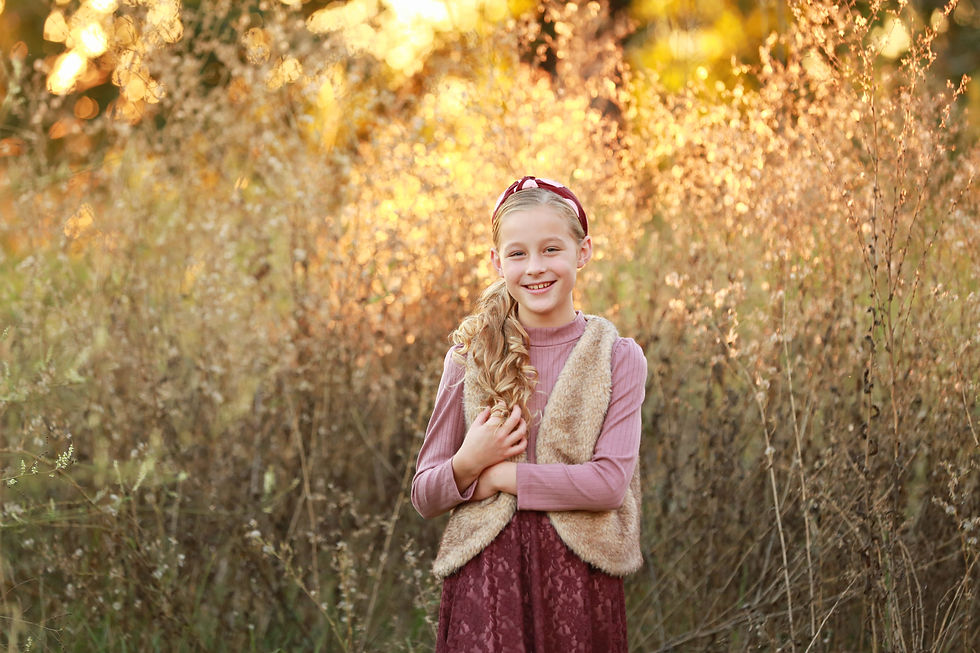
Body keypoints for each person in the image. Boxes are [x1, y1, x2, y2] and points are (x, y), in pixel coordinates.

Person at [411, 175, 647, 652]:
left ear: (583, 252)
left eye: (551, 249)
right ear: (497, 262)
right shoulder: (469, 359)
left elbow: (608, 485)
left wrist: (500, 477)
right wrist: (469, 462)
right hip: (487, 584)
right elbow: (425, 495)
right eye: (517, 253)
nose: (536, 267)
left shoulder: (617, 357)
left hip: (579, 582)